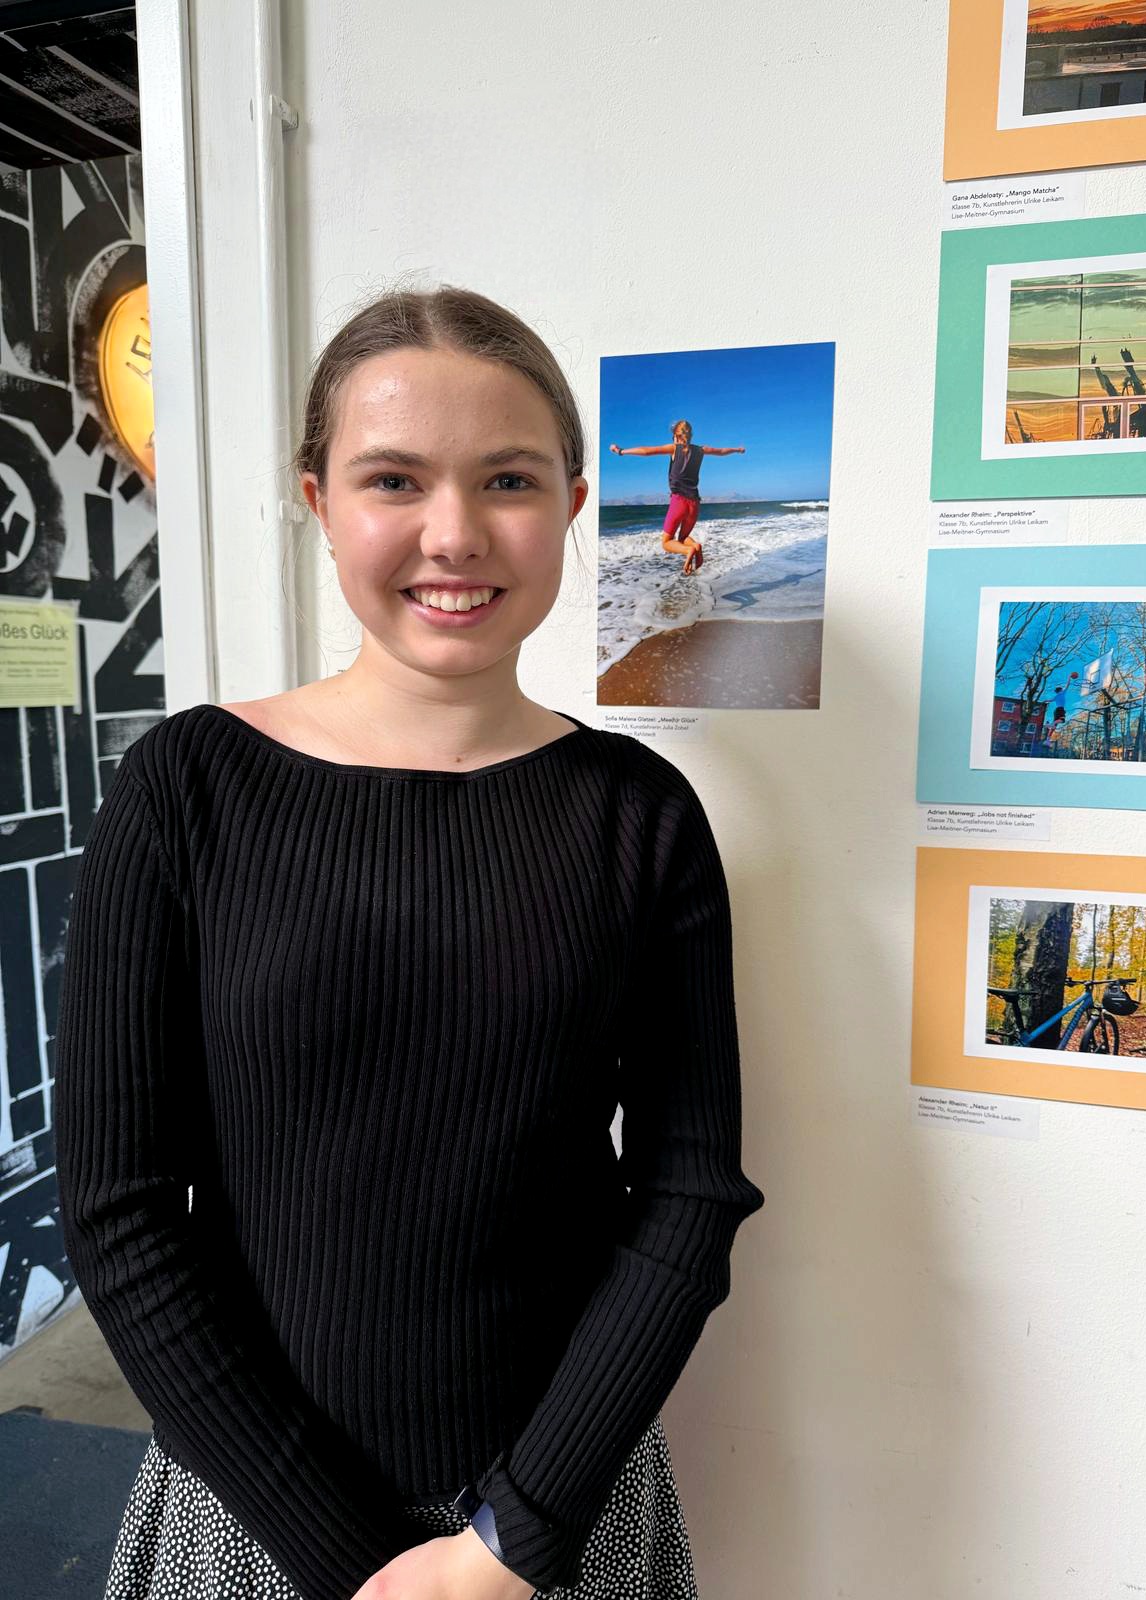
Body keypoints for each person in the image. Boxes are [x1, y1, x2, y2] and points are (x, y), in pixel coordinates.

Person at [53, 285, 766, 1600]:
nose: (455, 534)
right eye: (394, 479)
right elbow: (120, 1212)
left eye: (507, 479)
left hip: (552, 1526)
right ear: (320, 502)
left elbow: (689, 1193)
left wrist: (508, 1543)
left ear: (571, 501)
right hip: (251, 1514)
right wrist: (358, 1566)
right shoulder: (185, 791)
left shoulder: (641, 816)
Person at [609, 423, 745, 575]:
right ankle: (696, 547)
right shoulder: (701, 450)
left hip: (678, 501)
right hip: (695, 503)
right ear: (690, 435)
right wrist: (737, 450)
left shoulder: (674, 448)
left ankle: (689, 550)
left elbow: (646, 451)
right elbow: (721, 451)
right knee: (683, 537)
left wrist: (621, 451)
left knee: (666, 543)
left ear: (676, 436)